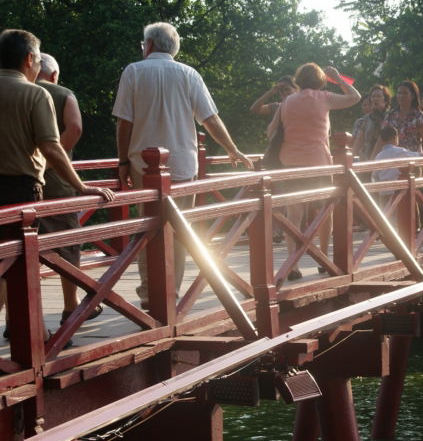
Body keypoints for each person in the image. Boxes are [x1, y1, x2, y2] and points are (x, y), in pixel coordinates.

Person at [113, 22, 251, 309]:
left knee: (147, 228)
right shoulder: (189, 74)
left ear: (148, 44)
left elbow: (124, 122)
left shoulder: (133, 71)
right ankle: (171, 295)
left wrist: (123, 161)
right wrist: (232, 149)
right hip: (183, 165)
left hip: (143, 165)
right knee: (178, 230)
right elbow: (210, 119)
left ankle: (150, 295)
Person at [0, 29, 114, 335]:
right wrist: (81, 186)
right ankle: (31, 331)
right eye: (36, 58)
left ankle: (20, 325)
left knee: (3, 260)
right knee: (21, 260)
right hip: (20, 188)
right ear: (28, 58)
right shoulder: (35, 93)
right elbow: (52, 145)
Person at [37, 53, 104, 324]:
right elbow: (74, 128)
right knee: (65, 241)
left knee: (15, 248)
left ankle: (19, 320)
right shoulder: (61, 93)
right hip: (57, 179)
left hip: (18, 177)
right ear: (53, 74)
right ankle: (70, 305)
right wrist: (52, 159)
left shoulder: (13, 92)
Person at [278, 63, 361, 279]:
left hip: (291, 162)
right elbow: (355, 97)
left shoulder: (287, 101)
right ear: (321, 80)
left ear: (298, 80)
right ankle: (324, 257)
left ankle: (292, 264)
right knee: (326, 212)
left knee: (294, 214)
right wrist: (338, 78)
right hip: (318, 162)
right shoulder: (324, 97)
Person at [377, 80, 423, 156]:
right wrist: (371, 163)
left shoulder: (419, 117)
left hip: (413, 162)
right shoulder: (390, 115)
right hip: (393, 162)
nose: (401, 96)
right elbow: (381, 140)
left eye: (405, 93)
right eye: (399, 93)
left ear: (412, 95)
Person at [352, 84, 390, 161]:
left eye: (378, 96)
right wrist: (352, 157)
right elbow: (359, 141)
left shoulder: (391, 117)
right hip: (366, 158)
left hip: (385, 158)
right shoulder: (367, 119)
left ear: (385, 99)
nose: (375, 99)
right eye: (373, 96)